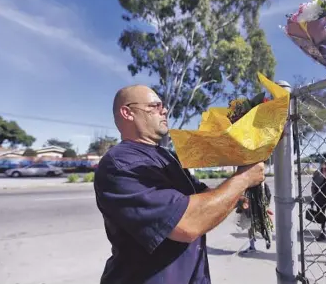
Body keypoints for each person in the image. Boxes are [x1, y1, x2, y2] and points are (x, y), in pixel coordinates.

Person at [94, 85, 266, 284]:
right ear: (127, 113)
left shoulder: (168, 157)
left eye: (163, 106)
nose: (164, 110)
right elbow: (186, 223)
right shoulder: (120, 164)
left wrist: (240, 198)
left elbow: (202, 196)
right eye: (154, 106)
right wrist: (243, 179)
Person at [236, 182, 273, 254]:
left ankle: (267, 239)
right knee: (251, 228)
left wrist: (266, 207)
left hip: (258, 210)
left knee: (264, 225)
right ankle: (253, 246)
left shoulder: (262, 185)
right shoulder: (249, 186)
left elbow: (268, 195)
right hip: (250, 211)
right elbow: (243, 198)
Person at [311, 163, 326, 242]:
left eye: (325, 165)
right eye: (323, 165)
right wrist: (313, 197)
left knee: (322, 214)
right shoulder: (317, 173)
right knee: (320, 214)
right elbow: (313, 185)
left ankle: (323, 233)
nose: (324, 166)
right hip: (318, 196)